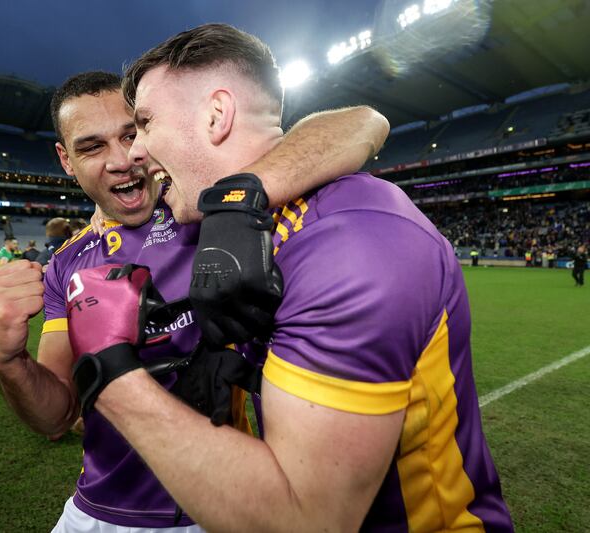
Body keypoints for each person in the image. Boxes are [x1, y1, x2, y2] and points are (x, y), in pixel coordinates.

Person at [62, 24, 513, 531]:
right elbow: (357, 123)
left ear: (217, 115)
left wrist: (111, 373)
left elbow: (306, 519)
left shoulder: (350, 241)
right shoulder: (246, 226)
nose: (136, 153)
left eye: (144, 123)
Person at [0, 69, 389, 531]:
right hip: (94, 510)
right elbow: (58, 415)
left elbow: (364, 121)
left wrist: (241, 200)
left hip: (216, 504)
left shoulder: (202, 211)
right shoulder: (68, 263)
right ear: (66, 161)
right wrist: (8, 361)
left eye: (131, 135)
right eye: (92, 147)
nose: (121, 161)